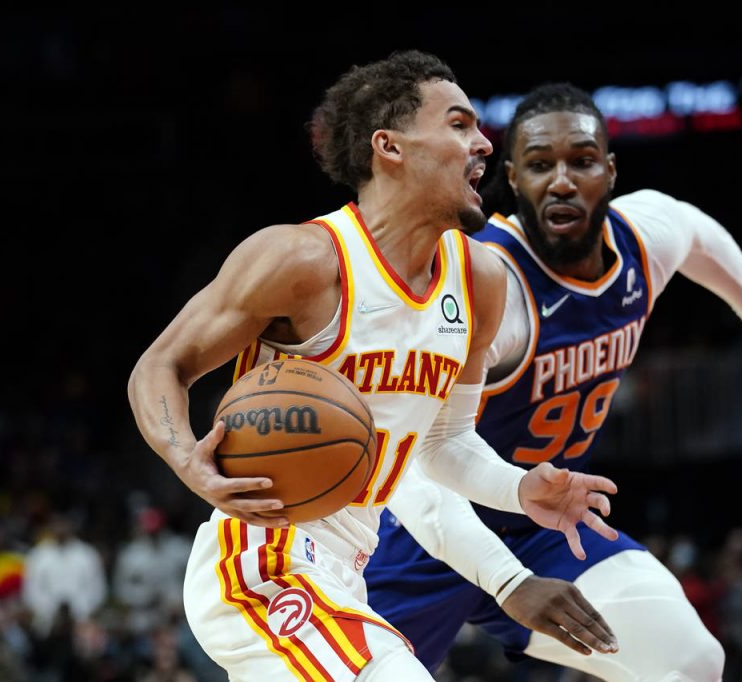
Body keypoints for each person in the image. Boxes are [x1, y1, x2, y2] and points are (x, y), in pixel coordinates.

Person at [127, 54, 622, 682]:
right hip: (262, 564)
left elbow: (442, 444)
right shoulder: (304, 260)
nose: (483, 143)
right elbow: (161, 365)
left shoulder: (480, 280)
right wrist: (185, 458)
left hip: (349, 569)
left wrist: (518, 490)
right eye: (459, 124)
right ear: (389, 147)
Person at [364, 82, 742, 681]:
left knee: (692, 661)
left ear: (611, 170)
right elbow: (416, 459)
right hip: (425, 533)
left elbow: (693, 230)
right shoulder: (486, 284)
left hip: (548, 530)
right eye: (540, 165)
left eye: (581, 161)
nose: (562, 181)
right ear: (513, 180)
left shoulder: (641, 242)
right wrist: (508, 580)